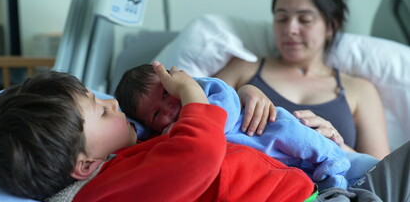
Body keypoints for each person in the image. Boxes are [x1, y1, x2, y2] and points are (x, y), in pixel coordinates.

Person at [0, 63, 317, 201]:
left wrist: (244, 93)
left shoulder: (124, 159)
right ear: (84, 164)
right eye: (101, 111)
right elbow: (197, 155)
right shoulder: (107, 188)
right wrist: (192, 97)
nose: (113, 103)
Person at [114, 64, 382, 190]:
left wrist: (240, 91)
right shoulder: (245, 66)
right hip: (275, 167)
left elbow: (223, 105)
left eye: (165, 95)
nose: (169, 109)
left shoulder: (206, 91)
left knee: (301, 139)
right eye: (157, 113)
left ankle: (334, 170)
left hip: (273, 131)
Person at [215, 0, 390, 159]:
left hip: (333, 185)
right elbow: (194, 112)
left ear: (331, 27)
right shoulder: (245, 68)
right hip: (247, 177)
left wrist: (338, 146)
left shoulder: (359, 90)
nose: (290, 29)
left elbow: (381, 171)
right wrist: (237, 97)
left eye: (305, 19)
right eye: (281, 19)